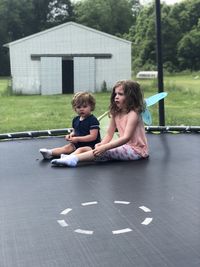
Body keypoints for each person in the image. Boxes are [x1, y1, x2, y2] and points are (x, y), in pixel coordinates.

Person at [51, 80, 149, 167]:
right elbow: (109, 134)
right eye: (115, 94)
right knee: (96, 149)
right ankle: (71, 157)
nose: (116, 97)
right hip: (124, 147)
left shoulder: (133, 114)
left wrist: (104, 147)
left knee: (103, 151)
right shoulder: (116, 112)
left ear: (131, 97)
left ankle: (74, 159)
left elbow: (125, 138)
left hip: (136, 151)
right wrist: (101, 144)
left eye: (120, 94)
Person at [40, 92, 101, 159]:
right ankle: (50, 152)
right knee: (67, 147)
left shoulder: (93, 120)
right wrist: (70, 135)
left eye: (84, 106)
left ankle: (68, 158)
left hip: (91, 146)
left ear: (91, 106)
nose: (81, 109)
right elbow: (75, 131)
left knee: (81, 150)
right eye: (78, 107)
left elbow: (93, 137)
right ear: (75, 108)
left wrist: (77, 139)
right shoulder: (76, 119)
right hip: (78, 144)